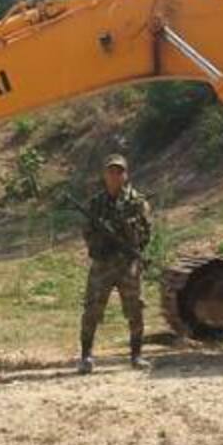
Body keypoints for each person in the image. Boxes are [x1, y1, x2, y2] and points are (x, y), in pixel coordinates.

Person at [77, 154, 152, 374]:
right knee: (92, 308)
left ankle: (136, 355)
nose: (115, 175)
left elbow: (147, 233)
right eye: (111, 171)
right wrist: (100, 243)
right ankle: (86, 356)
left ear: (126, 175)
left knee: (135, 309)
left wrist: (129, 241)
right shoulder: (96, 203)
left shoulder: (137, 202)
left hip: (128, 264)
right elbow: (86, 232)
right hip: (103, 264)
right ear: (104, 175)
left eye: (119, 171)